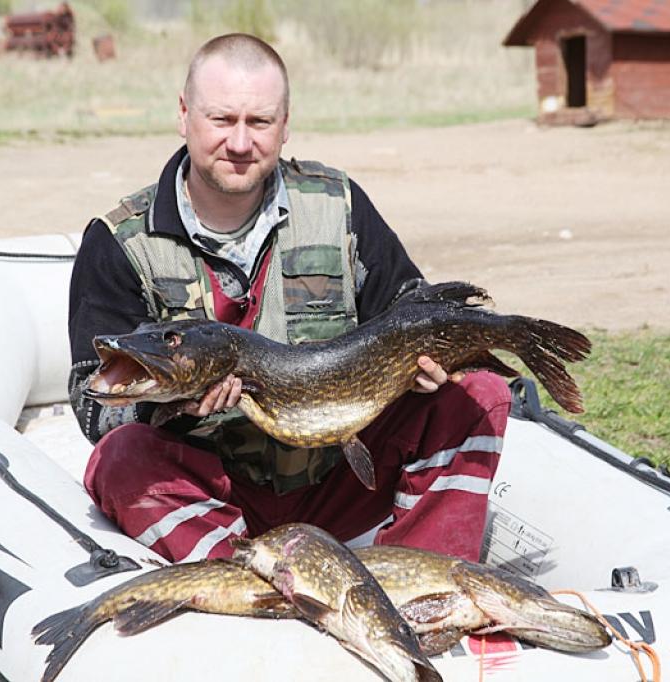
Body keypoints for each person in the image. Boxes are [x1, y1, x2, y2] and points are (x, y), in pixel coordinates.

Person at [68, 33, 511, 565]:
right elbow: (91, 404)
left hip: (342, 479)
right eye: (221, 119)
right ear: (184, 114)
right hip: (218, 491)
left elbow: (408, 304)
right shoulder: (118, 241)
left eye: (259, 122)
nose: (239, 142)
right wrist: (178, 409)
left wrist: (432, 365)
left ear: (284, 123)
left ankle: (423, 585)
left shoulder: (338, 205)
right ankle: (248, 581)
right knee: (120, 460)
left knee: (480, 395)